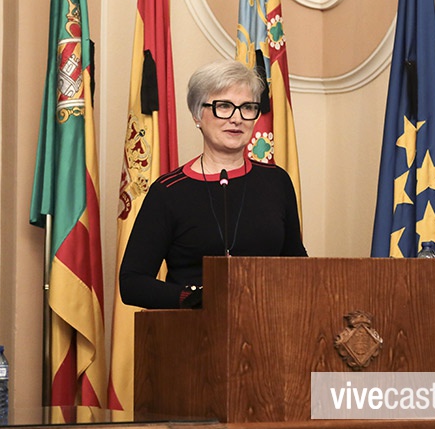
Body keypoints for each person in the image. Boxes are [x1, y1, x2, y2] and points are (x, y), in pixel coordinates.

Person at [119, 60, 307, 309]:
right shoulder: (168, 192)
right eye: (224, 106)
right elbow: (132, 283)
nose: (237, 118)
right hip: (194, 327)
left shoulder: (277, 182)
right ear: (197, 115)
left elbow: (299, 268)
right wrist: (194, 298)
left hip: (269, 323)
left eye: (247, 107)